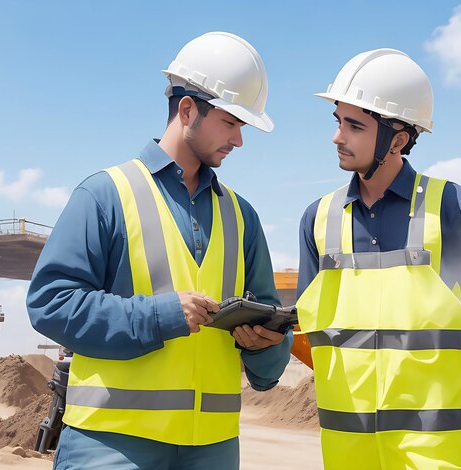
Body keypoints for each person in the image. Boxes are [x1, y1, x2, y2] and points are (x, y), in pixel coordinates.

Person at [27, 31, 292, 470]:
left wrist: (265, 345)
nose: (239, 140)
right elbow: (50, 304)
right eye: (230, 122)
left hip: (214, 448)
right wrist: (159, 316)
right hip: (111, 446)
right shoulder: (104, 195)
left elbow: (269, 360)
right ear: (187, 110)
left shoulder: (243, 217)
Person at [296, 48, 461, 469]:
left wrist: (457, 366)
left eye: (354, 125)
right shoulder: (319, 218)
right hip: (349, 451)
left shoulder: (447, 204)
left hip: (432, 451)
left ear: (398, 139)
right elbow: (313, 328)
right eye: (338, 121)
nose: (337, 137)